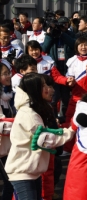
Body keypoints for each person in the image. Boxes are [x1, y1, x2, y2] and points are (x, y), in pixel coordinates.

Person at [5, 73, 75, 200]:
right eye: (43, 85)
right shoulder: (28, 113)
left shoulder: (33, 109)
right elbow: (45, 140)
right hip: (23, 172)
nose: (48, 88)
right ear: (34, 89)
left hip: (31, 171)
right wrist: (71, 131)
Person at [42, 16, 76, 119]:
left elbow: (74, 44)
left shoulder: (70, 34)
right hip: (55, 68)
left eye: (66, 24)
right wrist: (49, 35)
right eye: (62, 25)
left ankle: (63, 117)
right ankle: (54, 116)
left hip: (66, 69)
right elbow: (44, 48)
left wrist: (62, 35)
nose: (64, 26)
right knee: (54, 96)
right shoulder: (52, 35)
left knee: (66, 97)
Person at [0, 62, 14, 200]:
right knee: (10, 182)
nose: (8, 76)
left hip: (6, 147)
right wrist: (17, 124)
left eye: (8, 73)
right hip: (2, 148)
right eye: (4, 74)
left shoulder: (7, 96)